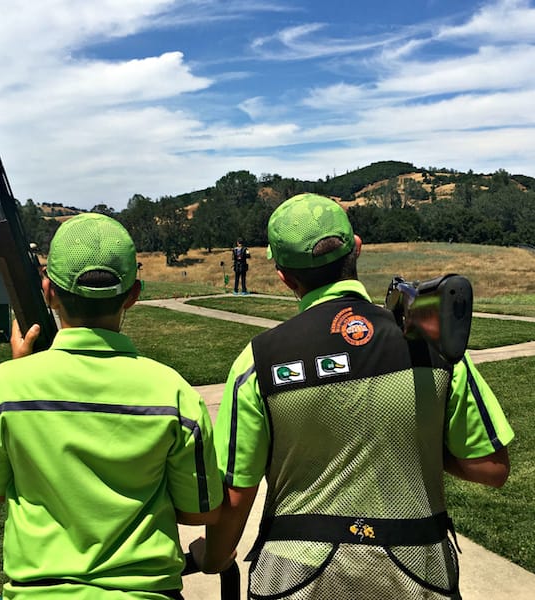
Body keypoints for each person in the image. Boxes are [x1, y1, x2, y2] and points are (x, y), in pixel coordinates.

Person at [191, 193, 514, 599]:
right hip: (419, 571)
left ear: (284, 277)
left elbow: (237, 494)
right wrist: (419, 442)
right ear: (356, 248)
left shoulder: (256, 362)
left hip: (295, 574)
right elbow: (491, 468)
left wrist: (216, 559)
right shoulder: (437, 345)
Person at [0, 213, 224, 600]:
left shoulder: (0, 389)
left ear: (48, 292)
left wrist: (21, 373)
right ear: (133, 294)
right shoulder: (177, 396)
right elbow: (200, 512)